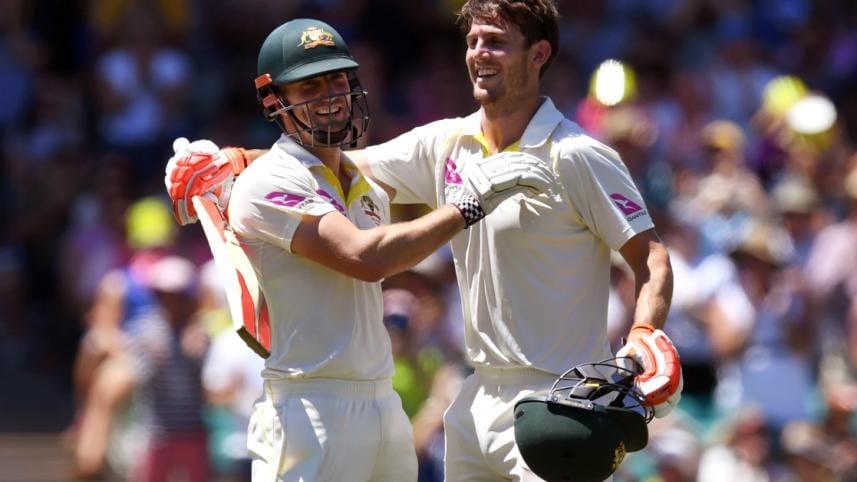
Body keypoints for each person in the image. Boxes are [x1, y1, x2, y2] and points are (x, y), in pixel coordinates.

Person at [166, 2, 681, 480]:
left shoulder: (577, 154)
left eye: (497, 42)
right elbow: (331, 162)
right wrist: (233, 160)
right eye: (473, 40)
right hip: (473, 396)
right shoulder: (446, 143)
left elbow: (650, 255)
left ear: (539, 53)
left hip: (560, 398)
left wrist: (643, 332)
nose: (480, 53)